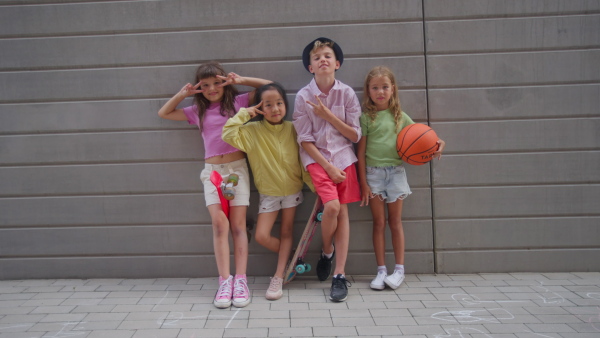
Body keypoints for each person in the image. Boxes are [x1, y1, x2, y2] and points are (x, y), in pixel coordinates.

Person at [157, 61, 270, 308]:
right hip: (212, 173)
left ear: (224, 83)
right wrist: (183, 94)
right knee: (220, 224)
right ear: (199, 88)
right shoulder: (197, 110)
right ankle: (225, 281)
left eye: (217, 83)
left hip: (236, 172)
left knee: (238, 226)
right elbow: (164, 113)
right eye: (205, 85)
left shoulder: (239, 102)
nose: (211, 88)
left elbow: (270, 87)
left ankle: (240, 281)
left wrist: (239, 80)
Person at [357, 66, 445, 290]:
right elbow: (360, 152)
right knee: (379, 223)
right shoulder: (367, 117)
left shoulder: (400, 116)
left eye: (385, 87)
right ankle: (380, 271)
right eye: (375, 87)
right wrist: (364, 183)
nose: (380, 92)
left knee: (395, 222)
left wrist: (438, 145)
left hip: (396, 172)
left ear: (393, 89)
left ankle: (399, 271)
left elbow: (422, 138)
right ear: (368, 90)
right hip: (374, 174)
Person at [222, 82, 313, 301]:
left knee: (287, 232)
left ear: (286, 105)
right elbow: (227, 133)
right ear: (260, 108)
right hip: (268, 193)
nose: (275, 109)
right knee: (262, 235)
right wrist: (246, 113)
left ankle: (278, 276)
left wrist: (314, 185)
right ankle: (290, 257)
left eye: (279, 103)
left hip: (292, 189)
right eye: (268, 105)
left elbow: (305, 160)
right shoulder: (252, 131)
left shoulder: (293, 128)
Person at [293, 37, 362, 302]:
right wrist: (328, 168)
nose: (323, 59)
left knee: (342, 212)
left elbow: (354, 135)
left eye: (327, 56)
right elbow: (304, 140)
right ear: (310, 67)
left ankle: (339, 275)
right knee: (332, 207)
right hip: (317, 160)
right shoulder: (303, 96)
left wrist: (328, 116)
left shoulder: (346, 94)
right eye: (317, 57)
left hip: (345, 158)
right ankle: (326, 250)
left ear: (337, 63)